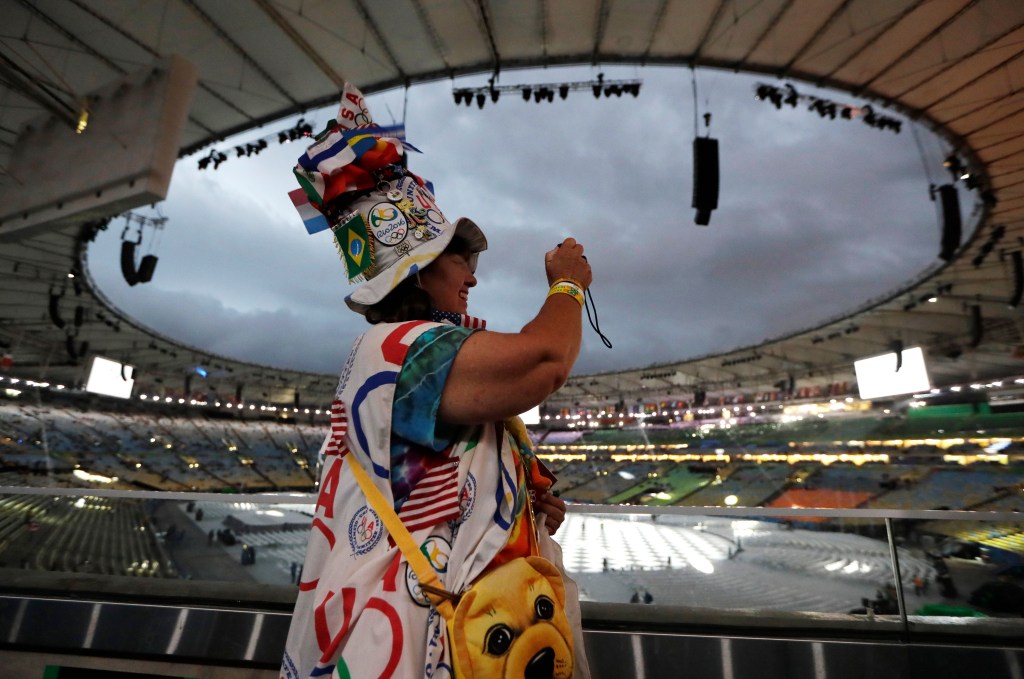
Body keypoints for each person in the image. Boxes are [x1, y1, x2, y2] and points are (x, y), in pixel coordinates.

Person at [280, 84, 590, 679]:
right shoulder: (401, 347)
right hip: (410, 637)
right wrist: (568, 285)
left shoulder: (397, 351)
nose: (471, 275)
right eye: (457, 257)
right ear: (416, 272)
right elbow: (545, 360)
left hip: (446, 627)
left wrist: (525, 508)